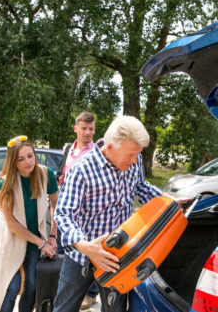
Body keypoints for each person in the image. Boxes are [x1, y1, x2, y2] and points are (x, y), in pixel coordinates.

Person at [53, 115, 185, 312]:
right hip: (82, 257)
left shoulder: (135, 158)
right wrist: (85, 246)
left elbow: (140, 186)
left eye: (137, 155)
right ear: (110, 148)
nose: (134, 161)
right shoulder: (82, 170)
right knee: (64, 308)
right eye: (130, 155)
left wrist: (167, 201)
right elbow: (63, 213)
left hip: (119, 258)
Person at [0, 136, 59, 312]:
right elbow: (11, 224)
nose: (28, 162)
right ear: (13, 161)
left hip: (35, 238)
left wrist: (52, 235)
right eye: (21, 159)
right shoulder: (5, 183)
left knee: (31, 285)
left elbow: (56, 207)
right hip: (10, 238)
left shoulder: (46, 174)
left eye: (30, 156)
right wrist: (42, 244)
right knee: (11, 287)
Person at [55, 111, 100, 309]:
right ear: (76, 129)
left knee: (87, 250)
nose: (88, 132)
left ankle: (90, 293)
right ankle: (67, 284)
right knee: (65, 248)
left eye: (91, 129)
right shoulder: (68, 148)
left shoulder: (96, 152)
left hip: (86, 208)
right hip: (66, 203)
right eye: (84, 128)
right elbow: (63, 171)